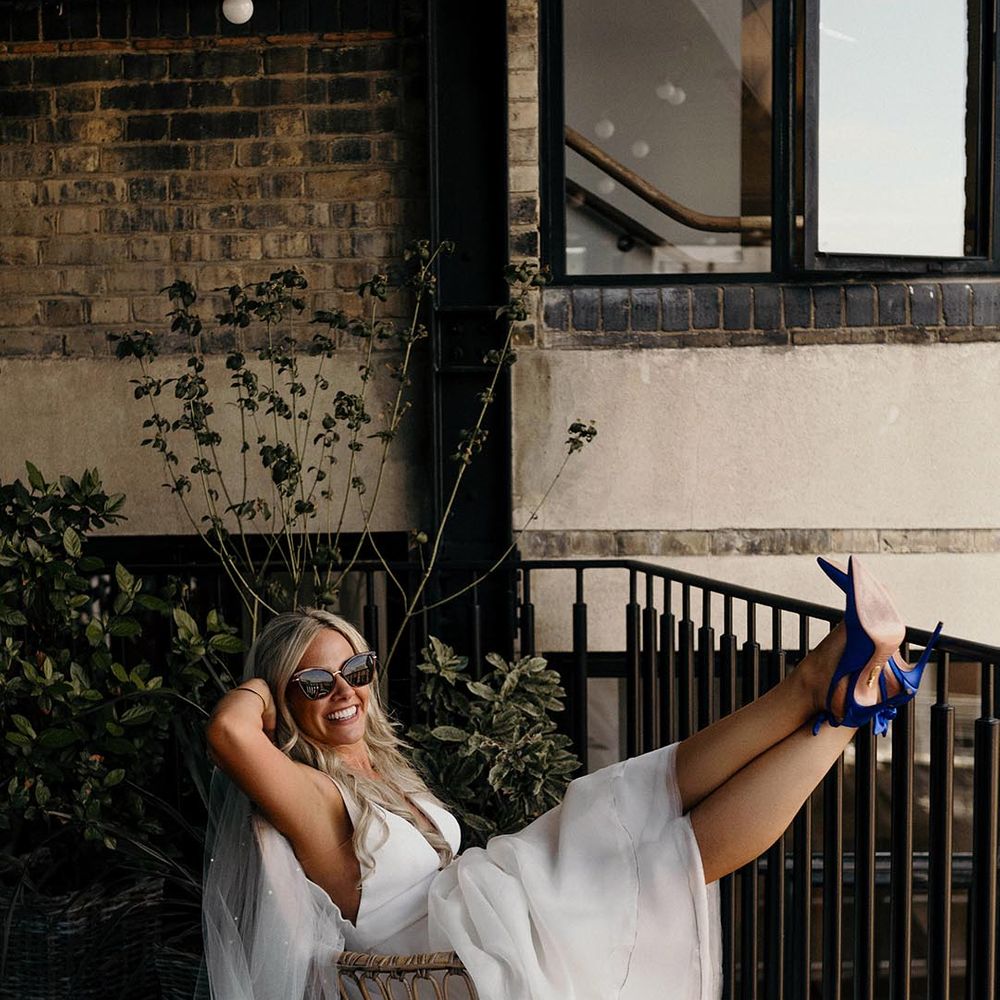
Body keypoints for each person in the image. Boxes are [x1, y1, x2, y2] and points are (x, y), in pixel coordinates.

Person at [201, 556, 943, 1000]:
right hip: (469, 950)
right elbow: (230, 733)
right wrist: (261, 690)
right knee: (652, 854)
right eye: (316, 683)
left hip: (489, 904)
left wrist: (291, 689)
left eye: (355, 671)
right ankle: (840, 703)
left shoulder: (373, 766)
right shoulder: (309, 795)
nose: (345, 694)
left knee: (627, 798)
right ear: (286, 702)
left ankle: (829, 692)